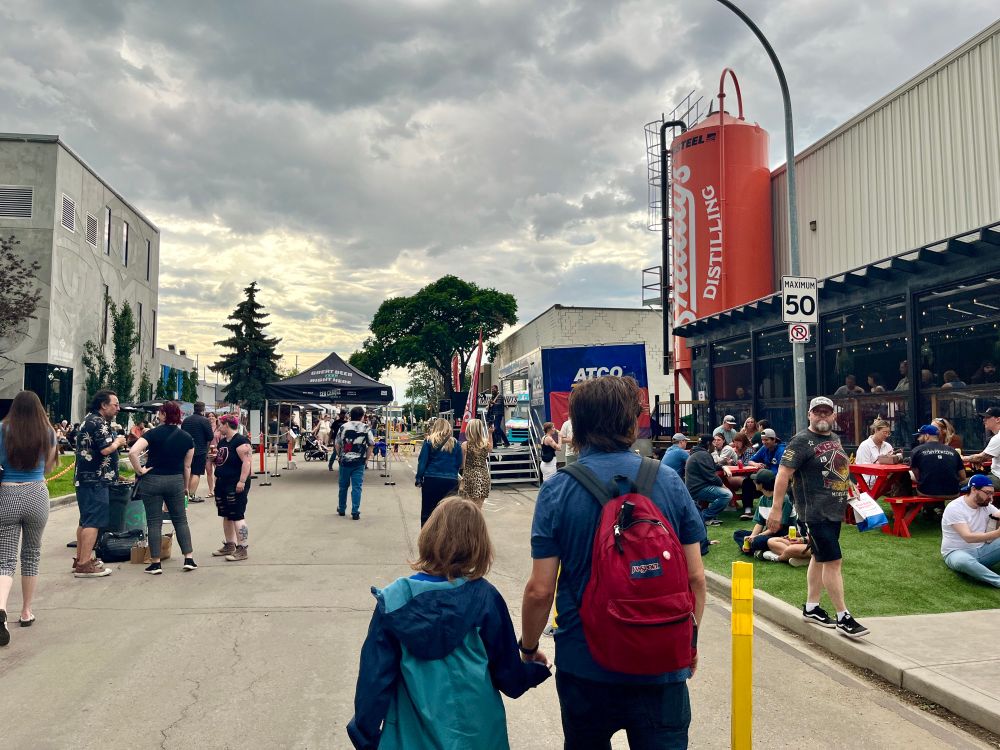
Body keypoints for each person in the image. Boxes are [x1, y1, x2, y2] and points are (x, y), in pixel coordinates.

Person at [519, 376, 706, 748]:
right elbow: (696, 578)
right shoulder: (668, 481)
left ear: (578, 426)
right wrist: (690, 642)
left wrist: (527, 647)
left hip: (585, 664)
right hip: (660, 663)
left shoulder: (557, 490)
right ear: (632, 422)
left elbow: (540, 590)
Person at [348, 497, 550, 748]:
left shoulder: (394, 602)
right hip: (478, 734)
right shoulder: (485, 598)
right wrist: (535, 669)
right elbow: (509, 678)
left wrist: (365, 734)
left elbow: (373, 680)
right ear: (479, 545)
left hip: (412, 735)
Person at [768, 396, 869, 638]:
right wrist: (776, 508)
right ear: (809, 415)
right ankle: (843, 616)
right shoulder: (801, 441)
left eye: (827, 412)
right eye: (818, 412)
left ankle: (811, 607)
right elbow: (783, 474)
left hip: (833, 510)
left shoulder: (833, 438)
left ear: (833, 416)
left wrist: (850, 485)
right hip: (814, 512)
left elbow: (839, 468)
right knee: (834, 562)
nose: (822, 416)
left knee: (820, 558)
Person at [0, 391, 57, 645]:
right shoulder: (48, 432)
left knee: (5, 558)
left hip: (8, 492)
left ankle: (1, 610)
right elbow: (49, 467)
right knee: (32, 553)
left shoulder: (2, 429)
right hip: (36, 492)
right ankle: (26, 611)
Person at [127, 401, 197, 574]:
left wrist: (140, 470)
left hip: (152, 480)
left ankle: (156, 562)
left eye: (160, 412)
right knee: (180, 520)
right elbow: (187, 467)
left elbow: (132, 452)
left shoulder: (152, 434)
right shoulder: (187, 438)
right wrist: (186, 486)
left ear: (165, 415)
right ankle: (188, 558)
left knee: (154, 522)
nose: (158, 415)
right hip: (175, 481)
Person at [73, 389, 124, 578]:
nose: (118, 408)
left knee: (85, 520)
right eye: (115, 404)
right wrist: (118, 442)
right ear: (103, 405)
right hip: (96, 479)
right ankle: (85, 564)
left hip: (85, 477)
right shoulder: (99, 423)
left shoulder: (89, 419)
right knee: (94, 521)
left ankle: (80, 559)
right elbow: (105, 450)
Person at [940, 475, 1000, 587]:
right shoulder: (955, 508)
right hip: (956, 552)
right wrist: (997, 533)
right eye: (987, 493)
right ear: (973, 490)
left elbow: (997, 513)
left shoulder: (986, 505)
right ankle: (997, 581)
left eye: (992, 493)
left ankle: (978, 568)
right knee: (963, 561)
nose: (991, 497)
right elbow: (968, 537)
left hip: (983, 550)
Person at [744, 469, 808, 566]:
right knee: (740, 535)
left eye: (756, 480)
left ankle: (771, 553)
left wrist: (756, 537)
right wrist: (752, 536)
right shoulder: (762, 499)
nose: (753, 482)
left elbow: (777, 527)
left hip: (782, 533)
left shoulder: (785, 500)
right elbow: (759, 523)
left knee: (761, 541)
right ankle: (761, 550)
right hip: (781, 537)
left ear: (762, 484)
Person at [212, 414, 253, 561]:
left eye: (220, 424)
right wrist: (215, 460)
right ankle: (230, 544)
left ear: (227, 425)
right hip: (222, 481)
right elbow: (222, 460)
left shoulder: (241, 441)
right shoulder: (223, 441)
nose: (219, 427)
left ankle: (242, 548)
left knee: (237, 515)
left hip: (235, 482)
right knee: (226, 515)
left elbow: (247, 462)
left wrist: (242, 481)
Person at [415, 418, 464, 526]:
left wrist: (418, 478)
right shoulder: (455, 443)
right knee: (449, 512)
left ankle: (427, 539)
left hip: (431, 480)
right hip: (450, 482)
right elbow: (460, 464)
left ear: (435, 427)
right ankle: (447, 539)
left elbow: (422, 462)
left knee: (428, 512)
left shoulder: (429, 441)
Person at [335, 406, 374, 521]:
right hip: (359, 462)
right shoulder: (366, 428)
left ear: (350, 415)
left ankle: (342, 509)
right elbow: (371, 444)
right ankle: (355, 511)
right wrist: (366, 458)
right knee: (357, 487)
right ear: (362, 416)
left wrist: (339, 455)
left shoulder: (343, 427)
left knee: (343, 486)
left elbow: (337, 444)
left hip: (345, 461)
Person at [686, 434, 732, 527]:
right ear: (708, 443)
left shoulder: (699, 453)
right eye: (713, 442)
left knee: (724, 493)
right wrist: (724, 487)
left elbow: (713, 466)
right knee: (727, 495)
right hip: (698, 488)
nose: (715, 445)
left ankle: (707, 516)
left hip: (697, 486)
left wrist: (723, 467)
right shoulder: (703, 455)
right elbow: (711, 476)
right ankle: (704, 517)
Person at [910, 424, 965, 499]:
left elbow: (917, 476)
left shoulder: (917, 450)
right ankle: (938, 508)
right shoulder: (952, 450)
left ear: (927, 436)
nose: (918, 439)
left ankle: (922, 508)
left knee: (907, 476)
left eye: (920, 436)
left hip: (926, 492)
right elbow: (963, 476)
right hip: (953, 492)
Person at [180, 402, 215, 503]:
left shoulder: (186, 420)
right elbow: (210, 436)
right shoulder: (204, 420)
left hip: (186, 450)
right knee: (196, 473)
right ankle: (191, 495)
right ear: (203, 410)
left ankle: (185, 496)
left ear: (194, 409)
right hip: (200, 450)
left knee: (188, 471)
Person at [855, 419, 902, 491]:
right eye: (884, 432)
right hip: (868, 483)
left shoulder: (888, 446)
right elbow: (863, 469)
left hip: (886, 481)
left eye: (888, 433)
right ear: (876, 430)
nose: (886, 435)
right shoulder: (865, 446)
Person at [965, 407, 1000, 491]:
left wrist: (961, 458)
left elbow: (981, 457)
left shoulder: (998, 438)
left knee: (961, 483)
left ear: (998, 419)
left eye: (987, 417)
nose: (984, 420)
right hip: (995, 474)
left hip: (998, 477)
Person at [460, 418, 492, 508]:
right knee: (478, 509)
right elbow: (491, 449)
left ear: (469, 430)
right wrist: (490, 434)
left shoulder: (465, 445)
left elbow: (462, 465)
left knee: (468, 509)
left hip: (469, 477)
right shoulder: (486, 444)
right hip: (483, 477)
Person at [205, 412, 220, 497]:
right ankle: (211, 491)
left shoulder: (219, 428)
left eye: (212, 416)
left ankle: (217, 489)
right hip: (207, 452)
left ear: (216, 418)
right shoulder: (205, 428)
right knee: (209, 472)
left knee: (217, 471)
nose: (210, 418)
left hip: (217, 451)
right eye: (209, 416)